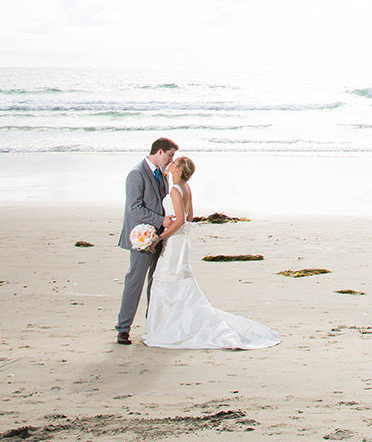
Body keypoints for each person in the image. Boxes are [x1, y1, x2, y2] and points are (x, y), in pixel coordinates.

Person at [143, 156, 279, 350]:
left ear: (179, 170)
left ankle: (169, 327)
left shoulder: (174, 189)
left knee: (166, 278)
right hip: (183, 239)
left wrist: (161, 236)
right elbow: (190, 217)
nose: (170, 165)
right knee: (178, 278)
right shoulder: (186, 188)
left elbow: (181, 220)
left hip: (174, 241)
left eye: (174, 164)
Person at [116, 137, 176, 345]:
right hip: (141, 237)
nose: (171, 160)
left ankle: (152, 325)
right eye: (170, 155)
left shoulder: (163, 175)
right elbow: (134, 208)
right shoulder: (136, 174)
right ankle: (123, 329)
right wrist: (160, 220)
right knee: (135, 281)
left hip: (159, 236)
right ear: (159, 152)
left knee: (155, 281)